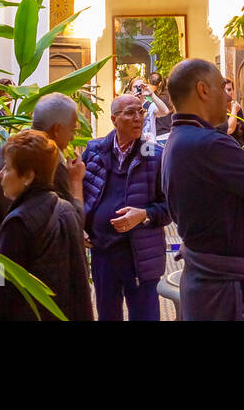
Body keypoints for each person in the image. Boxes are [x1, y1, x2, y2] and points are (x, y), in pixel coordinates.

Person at [162, 59, 244, 320]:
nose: (230, 97)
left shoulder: (178, 140)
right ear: (203, 90)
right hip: (231, 294)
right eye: (223, 87)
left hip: (209, 284)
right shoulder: (211, 144)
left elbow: (220, 211)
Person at [0, 92, 85, 284]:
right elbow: (72, 225)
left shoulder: (12, 153)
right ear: (57, 129)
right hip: (33, 281)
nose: (72, 137)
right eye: (72, 130)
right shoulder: (46, 164)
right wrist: (76, 182)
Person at [0, 130, 94, 321]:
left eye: (7, 168)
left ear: (28, 176)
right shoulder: (66, 210)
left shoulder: (18, 223)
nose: (0, 174)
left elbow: (1, 284)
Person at [81, 94, 170, 321]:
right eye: (130, 113)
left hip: (140, 255)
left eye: (141, 112)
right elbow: (80, 195)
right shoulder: (93, 152)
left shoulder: (155, 156)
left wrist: (144, 215)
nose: (138, 118)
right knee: (107, 314)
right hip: (102, 252)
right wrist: (79, 224)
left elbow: (172, 208)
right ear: (114, 119)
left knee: (145, 315)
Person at [224, 77, 244, 147]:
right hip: (228, 149)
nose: (226, 92)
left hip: (241, 149)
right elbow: (229, 129)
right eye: (223, 90)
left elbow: (243, 133)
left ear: (233, 91)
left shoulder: (238, 108)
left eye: (229, 89)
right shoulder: (218, 110)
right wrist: (234, 110)